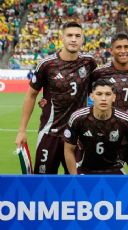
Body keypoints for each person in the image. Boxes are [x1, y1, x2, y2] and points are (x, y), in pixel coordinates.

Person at [15, 22, 97, 174]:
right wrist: (21, 130)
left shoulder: (89, 62)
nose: (73, 39)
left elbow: (100, 88)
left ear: (83, 39)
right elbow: (31, 95)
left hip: (77, 135)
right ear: (62, 38)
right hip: (49, 133)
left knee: (77, 185)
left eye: (77, 36)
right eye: (70, 35)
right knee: (42, 183)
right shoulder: (47, 65)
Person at [63, 79, 128, 174]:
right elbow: (68, 149)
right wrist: (74, 177)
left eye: (108, 94)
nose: (103, 98)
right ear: (92, 97)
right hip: (85, 169)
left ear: (114, 97)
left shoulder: (125, 120)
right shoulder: (78, 118)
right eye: (99, 94)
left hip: (114, 170)